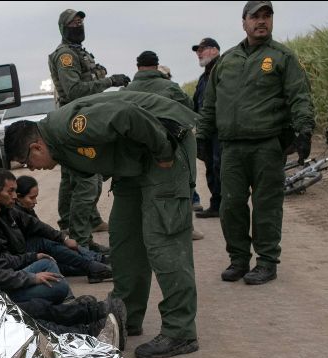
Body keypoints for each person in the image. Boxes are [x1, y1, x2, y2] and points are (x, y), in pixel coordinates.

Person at [3, 90, 199, 358]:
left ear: (36, 146)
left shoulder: (68, 128)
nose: (32, 170)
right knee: (124, 239)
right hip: (135, 162)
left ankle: (180, 331)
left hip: (163, 144)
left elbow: (126, 115)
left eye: (28, 162)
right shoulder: (58, 145)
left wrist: (164, 151)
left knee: (163, 240)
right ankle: (126, 316)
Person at [196, 1, 315, 285]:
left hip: (267, 145)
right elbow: (210, 102)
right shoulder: (227, 60)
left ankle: (266, 262)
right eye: (255, 17)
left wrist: (304, 130)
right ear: (244, 22)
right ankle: (238, 259)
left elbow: (299, 96)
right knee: (231, 205)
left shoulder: (282, 57)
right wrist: (202, 134)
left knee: (266, 205)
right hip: (232, 148)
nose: (261, 21)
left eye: (267, 16)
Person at [0, 203, 125, 348]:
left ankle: (92, 314)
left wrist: (29, 261)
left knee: (43, 289)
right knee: (33, 317)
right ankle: (89, 330)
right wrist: (30, 278)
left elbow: (1, 264)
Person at [49, 9, 130, 253]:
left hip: (78, 119)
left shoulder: (79, 52)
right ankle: (81, 243)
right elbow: (74, 91)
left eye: (81, 21)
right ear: (64, 27)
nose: (79, 25)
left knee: (72, 180)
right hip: (76, 122)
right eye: (74, 22)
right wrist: (110, 81)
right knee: (88, 180)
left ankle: (74, 233)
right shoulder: (65, 55)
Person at [124, 50, 204, 241]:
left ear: (137, 67)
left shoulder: (126, 91)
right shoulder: (170, 86)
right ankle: (185, 228)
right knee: (183, 184)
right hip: (172, 144)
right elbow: (188, 107)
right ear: (156, 65)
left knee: (139, 188)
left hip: (137, 148)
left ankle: (142, 230)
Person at [0, 168, 112, 283]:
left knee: (57, 246)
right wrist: (33, 257)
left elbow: (37, 225)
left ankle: (96, 263)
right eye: (10, 191)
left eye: (14, 190)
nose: (13, 196)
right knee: (53, 258)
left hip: (24, 256)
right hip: (19, 263)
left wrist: (64, 239)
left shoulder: (9, 210)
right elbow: (3, 260)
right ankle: (94, 264)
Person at [0, 178, 70, 305]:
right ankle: (65, 302)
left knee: (46, 262)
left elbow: (2, 259)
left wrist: (32, 257)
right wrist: (32, 278)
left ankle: (65, 300)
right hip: (1, 292)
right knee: (60, 287)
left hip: (9, 277)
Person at [192, 37, 223, 219]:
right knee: (211, 166)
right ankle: (216, 204)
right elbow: (197, 103)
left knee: (220, 166)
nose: (198, 53)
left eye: (201, 49)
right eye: (197, 50)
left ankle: (224, 205)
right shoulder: (204, 77)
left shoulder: (223, 70)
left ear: (214, 50)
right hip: (207, 131)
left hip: (221, 129)